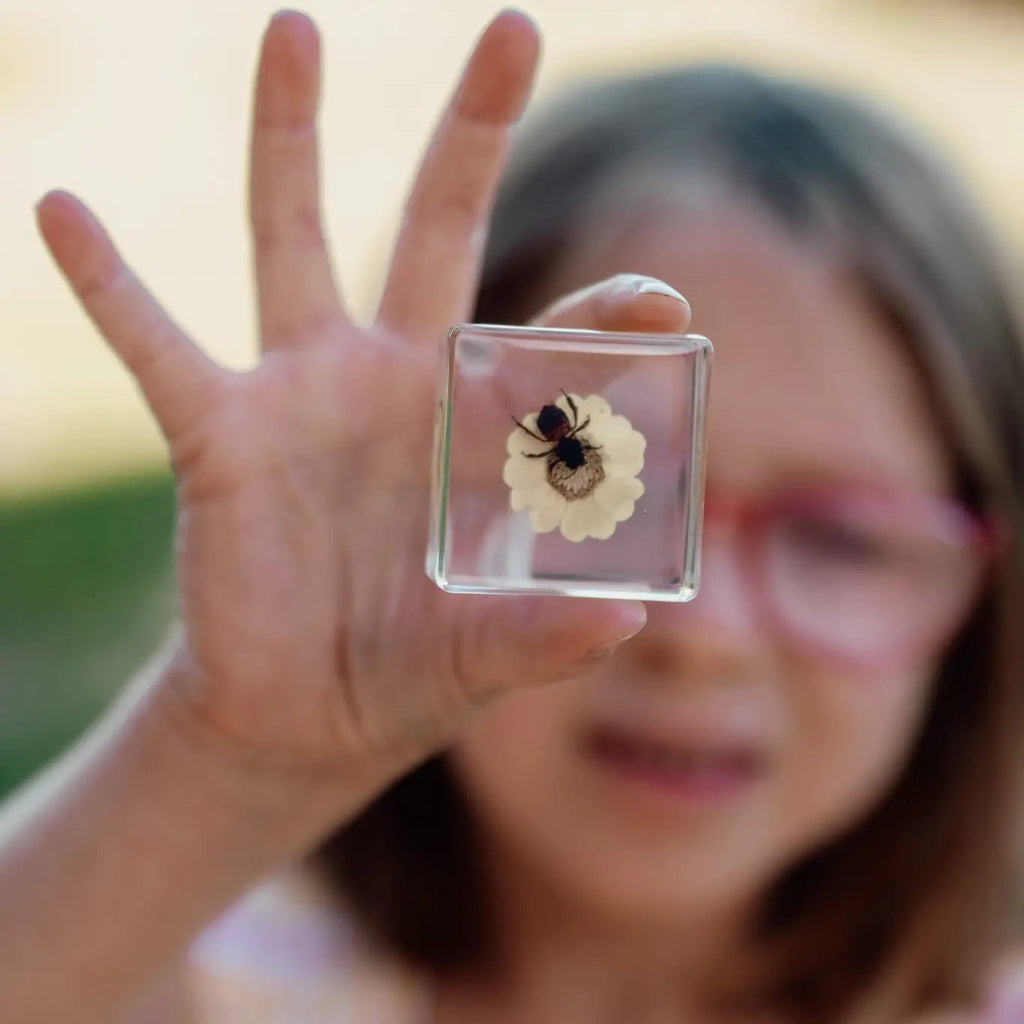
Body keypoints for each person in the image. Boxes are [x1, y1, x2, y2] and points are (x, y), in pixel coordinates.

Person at [1, 8, 1022, 1023]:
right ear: (432, 496)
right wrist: (220, 757)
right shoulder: (212, 980)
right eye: (581, 486)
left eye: (841, 536)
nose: (700, 636)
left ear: (981, 592)